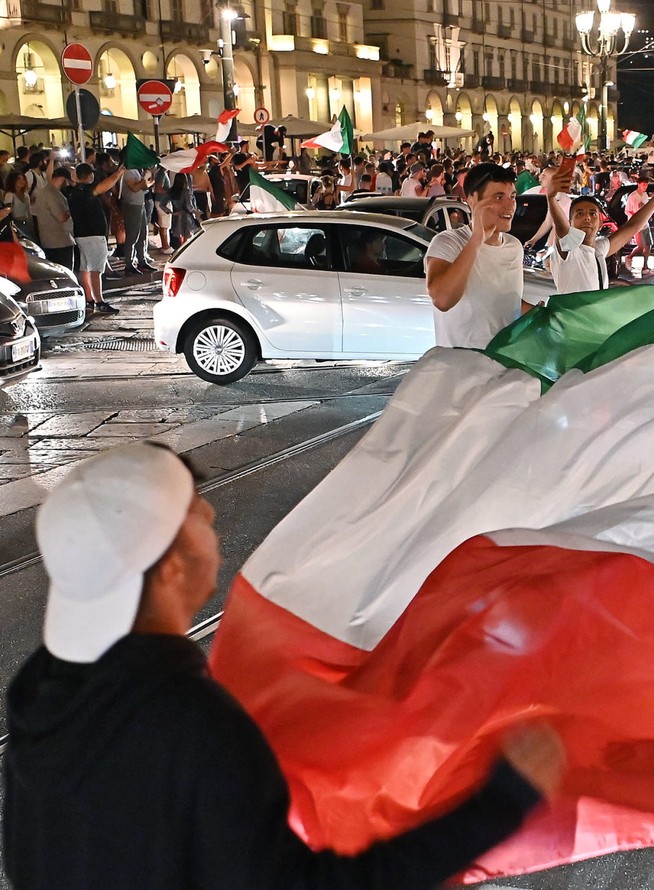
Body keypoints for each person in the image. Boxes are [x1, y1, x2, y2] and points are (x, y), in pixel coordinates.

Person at [3, 442, 563, 890]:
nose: (215, 516)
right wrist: (501, 803)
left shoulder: (39, 695)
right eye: (199, 515)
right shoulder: (190, 722)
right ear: (172, 568)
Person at [425, 163, 538, 349]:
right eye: (498, 197)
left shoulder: (514, 246)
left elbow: (506, 302)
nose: (510, 205)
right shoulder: (448, 243)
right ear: (471, 200)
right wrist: (477, 238)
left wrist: (539, 314)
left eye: (512, 197)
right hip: (462, 367)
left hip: (504, 364)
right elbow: (443, 300)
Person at [544, 167, 654, 296]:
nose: (587, 217)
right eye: (579, 214)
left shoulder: (599, 249)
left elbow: (633, 226)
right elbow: (562, 229)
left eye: (593, 214)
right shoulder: (568, 250)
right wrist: (551, 198)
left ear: (601, 224)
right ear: (570, 223)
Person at [67, 162, 126, 315]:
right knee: (96, 270)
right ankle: (99, 301)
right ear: (87, 176)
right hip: (93, 235)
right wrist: (118, 174)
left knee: (85, 268)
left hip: (81, 234)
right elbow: (104, 186)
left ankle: (90, 300)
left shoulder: (73, 192)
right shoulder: (86, 190)